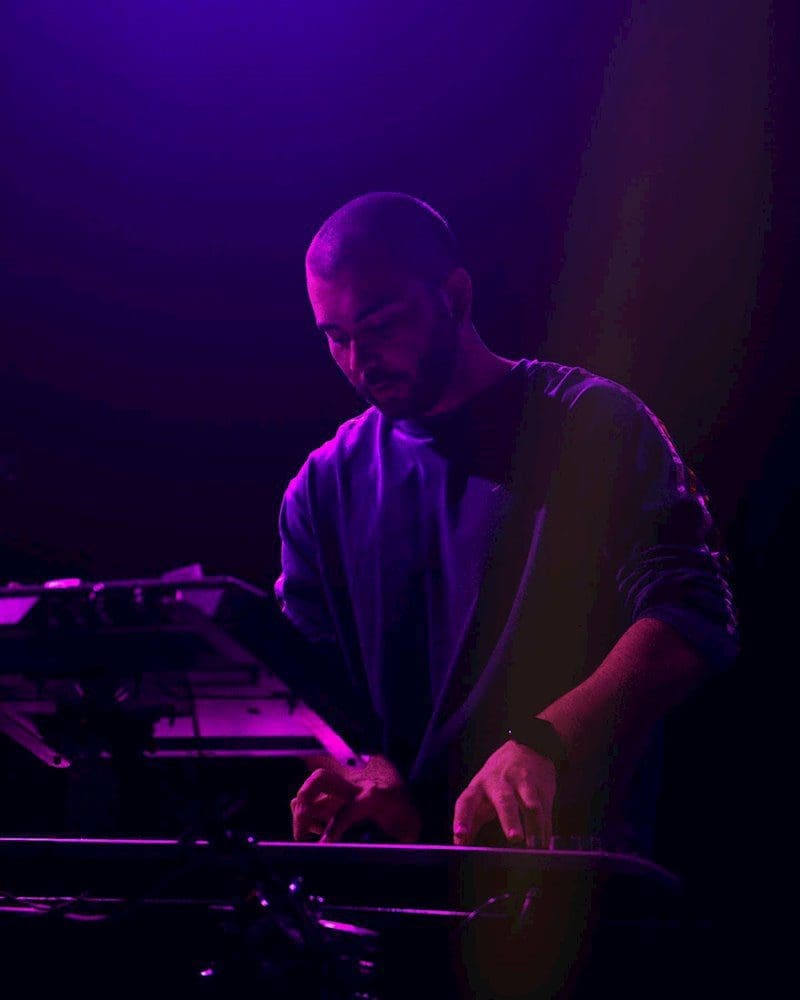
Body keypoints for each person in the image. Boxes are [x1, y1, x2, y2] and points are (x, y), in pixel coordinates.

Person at [274, 191, 738, 857]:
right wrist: (366, 773)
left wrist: (543, 741)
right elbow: (311, 691)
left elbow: (690, 618)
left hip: (577, 872)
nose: (359, 360)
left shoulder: (587, 425)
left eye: (381, 326)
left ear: (455, 297)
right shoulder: (322, 488)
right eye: (336, 337)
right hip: (403, 881)